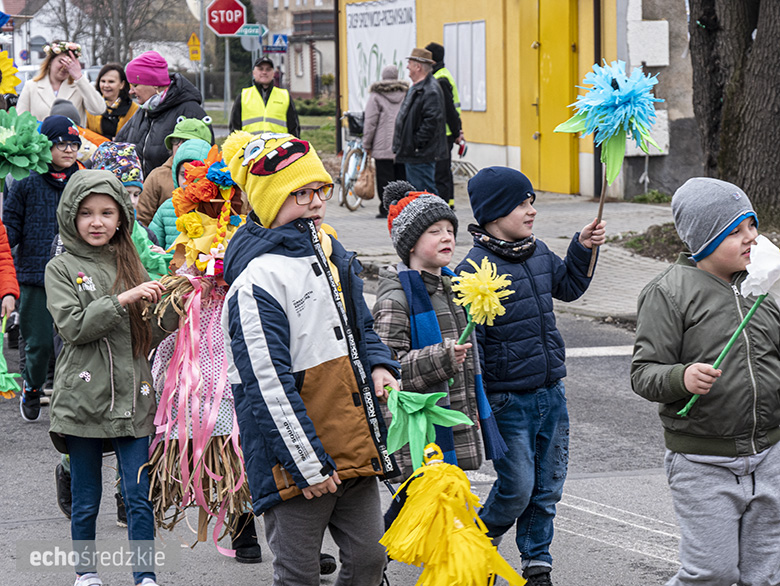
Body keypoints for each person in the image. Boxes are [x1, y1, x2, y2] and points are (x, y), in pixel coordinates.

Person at [221, 131, 400, 586]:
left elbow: (361, 327)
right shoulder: (257, 280)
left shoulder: (331, 252)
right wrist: (307, 465)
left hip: (352, 443)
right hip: (296, 463)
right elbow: (266, 382)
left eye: (319, 189)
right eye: (298, 193)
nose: (315, 202)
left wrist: (379, 363)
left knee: (369, 559)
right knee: (298, 573)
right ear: (266, 202)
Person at [456, 166, 605, 586]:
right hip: (507, 401)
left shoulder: (536, 252)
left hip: (550, 392)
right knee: (518, 487)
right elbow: (474, 350)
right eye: (522, 203)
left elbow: (570, 285)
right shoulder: (472, 270)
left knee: (547, 487)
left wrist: (582, 247)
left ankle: (537, 561)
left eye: (531, 201)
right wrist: (478, 405)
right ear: (494, 211)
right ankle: (478, 544)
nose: (531, 210)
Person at [631, 178, 780, 586]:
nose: (751, 238)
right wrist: (682, 376)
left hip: (770, 456)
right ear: (704, 239)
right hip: (703, 464)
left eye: (752, 225)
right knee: (710, 573)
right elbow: (644, 373)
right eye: (735, 231)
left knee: (765, 574)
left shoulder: (762, 286)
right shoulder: (669, 292)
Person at [45, 169, 176, 586]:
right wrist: (122, 299)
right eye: (86, 213)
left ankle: (145, 575)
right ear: (71, 216)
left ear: (122, 217)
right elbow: (74, 327)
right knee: (86, 500)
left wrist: (176, 304)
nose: (97, 221)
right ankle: (86, 573)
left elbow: (148, 333)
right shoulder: (61, 267)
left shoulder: (132, 263)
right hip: (83, 399)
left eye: (107, 212)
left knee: (139, 497)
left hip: (134, 397)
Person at [372, 180, 482, 480]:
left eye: (450, 230)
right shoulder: (396, 298)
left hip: (452, 425)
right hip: (418, 438)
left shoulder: (455, 289)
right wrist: (443, 357)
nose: (446, 237)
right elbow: (387, 373)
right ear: (410, 243)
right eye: (434, 231)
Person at [4, 115, 84, 422]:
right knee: (36, 341)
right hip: (35, 274)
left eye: (73, 144)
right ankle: (33, 386)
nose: (68, 150)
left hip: (75, 274)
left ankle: (69, 395)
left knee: (72, 340)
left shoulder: (84, 181)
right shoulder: (26, 181)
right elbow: (10, 228)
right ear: (45, 146)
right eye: (61, 144)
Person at [117, 51, 212, 177]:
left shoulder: (190, 111)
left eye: (135, 85)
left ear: (154, 84)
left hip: (174, 195)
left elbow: (202, 163)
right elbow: (118, 146)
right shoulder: (144, 110)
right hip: (141, 194)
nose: (131, 91)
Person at [135, 117, 213, 227]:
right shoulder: (157, 176)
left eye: (186, 141)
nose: (179, 145)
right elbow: (141, 219)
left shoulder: (216, 179)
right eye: (176, 140)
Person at [392, 47, 447, 195]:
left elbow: (431, 122)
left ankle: (435, 218)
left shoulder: (430, 90)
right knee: (418, 194)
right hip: (414, 153)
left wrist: (415, 144)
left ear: (418, 66)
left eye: (410, 63)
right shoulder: (418, 88)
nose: (407, 67)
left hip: (420, 154)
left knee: (424, 194)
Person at [17, 40, 104, 125]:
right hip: (40, 138)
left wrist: (79, 77)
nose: (65, 67)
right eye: (61, 61)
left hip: (72, 138)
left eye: (70, 62)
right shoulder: (31, 86)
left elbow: (98, 109)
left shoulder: (80, 86)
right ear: (50, 62)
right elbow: (20, 119)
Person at [148, 138, 212, 250]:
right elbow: (150, 248)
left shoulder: (217, 209)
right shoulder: (166, 209)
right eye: (184, 174)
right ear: (175, 175)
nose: (188, 181)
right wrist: (162, 256)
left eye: (196, 175)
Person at [362, 65, 409, 218]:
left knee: (385, 179)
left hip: (382, 145)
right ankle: (402, 207)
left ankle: (386, 209)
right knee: (401, 177)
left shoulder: (376, 96)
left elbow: (370, 122)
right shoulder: (406, 93)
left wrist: (366, 143)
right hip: (402, 144)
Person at [425, 42, 464, 209]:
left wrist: (456, 132)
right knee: (443, 170)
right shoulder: (441, 75)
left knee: (441, 171)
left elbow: (449, 110)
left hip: (444, 133)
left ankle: (446, 205)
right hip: (446, 132)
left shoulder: (440, 79)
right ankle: (448, 203)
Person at [228, 56, 300, 136]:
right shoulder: (243, 96)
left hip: (278, 147)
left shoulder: (284, 96)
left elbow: (294, 128)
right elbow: (234, 130)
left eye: (268, 69)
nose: (264, 72)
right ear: (254, 73)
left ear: (273, 73)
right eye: (260, 69)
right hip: (250, 147)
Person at [86, 63, 140, 140]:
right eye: (103, 81)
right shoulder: (91, 106)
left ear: (122, 84)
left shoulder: (133, 109)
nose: (106, 85)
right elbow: (85, 133)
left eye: (111, 82)